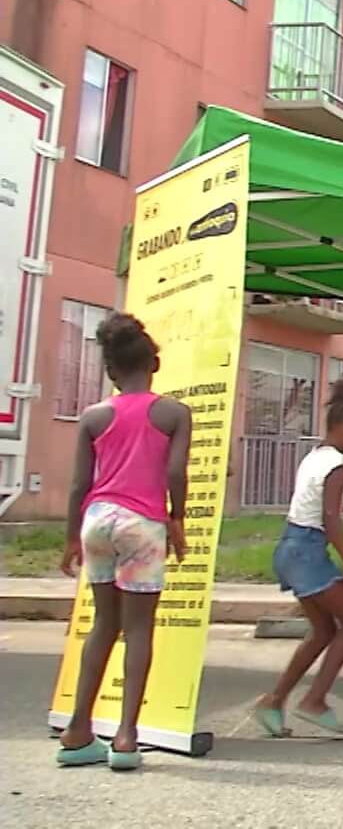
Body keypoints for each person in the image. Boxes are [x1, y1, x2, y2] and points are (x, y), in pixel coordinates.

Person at [55, 313, 190, 771]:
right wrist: (177, 517)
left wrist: (72, 537)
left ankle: (77, 731)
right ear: (153, 363)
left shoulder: (93, 416)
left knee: (102, 626)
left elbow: (78, 484)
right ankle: (128, 737)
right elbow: (174, 472)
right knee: (138, 629)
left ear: (111, 371)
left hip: (97, 519)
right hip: (141, 522)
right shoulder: (173, 413)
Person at [254, 374, 343, 739]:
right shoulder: (339, 465)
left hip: (291, 546)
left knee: (325, 629)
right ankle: (314, 699)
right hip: (308, 550)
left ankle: (274, 700)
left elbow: (339, 498)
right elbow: (331, 516)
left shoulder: (319, 456)